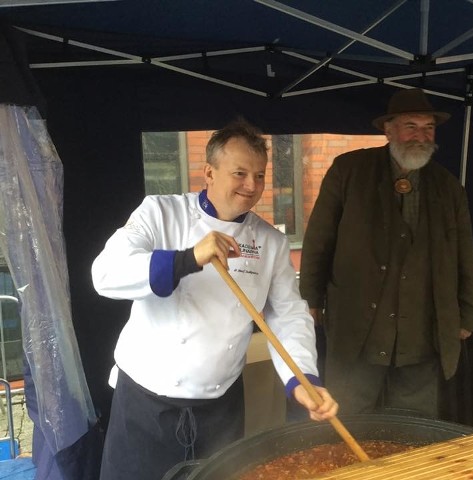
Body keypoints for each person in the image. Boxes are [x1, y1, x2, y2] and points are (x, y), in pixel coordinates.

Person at [92, 119, 338, 480]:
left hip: (220, 408)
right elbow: (106, 274)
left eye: (259, 175)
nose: (251, 186)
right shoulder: (160, 214)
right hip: (144, 406)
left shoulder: (269, 242)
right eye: (240, 173)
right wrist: (186, 259)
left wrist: (303, 379)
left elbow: (289, 315)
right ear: (209, 172)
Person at [299, 88, 473, 418]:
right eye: (411, 126)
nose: (421, 136)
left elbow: (464, 254)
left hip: (423, 333)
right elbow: (317, 241)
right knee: (346, 421)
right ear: (388, 129)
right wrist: (310, 300)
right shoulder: (348, 171)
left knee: (414, 426)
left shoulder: (448, 186)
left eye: (428, 128)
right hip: (358, 330)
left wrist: (467, 313)